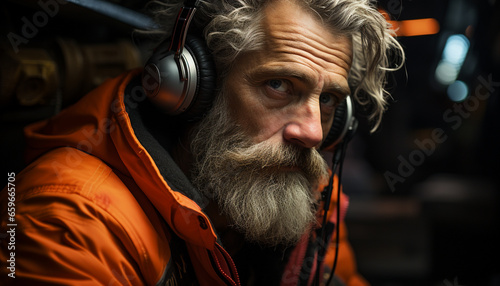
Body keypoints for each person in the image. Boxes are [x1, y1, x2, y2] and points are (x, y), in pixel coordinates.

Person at [0, 0, 404, 285]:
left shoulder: (305, 199)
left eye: (329, 100)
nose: (314, 132)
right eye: (279, 85)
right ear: (190, 87)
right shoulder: (70, 225)